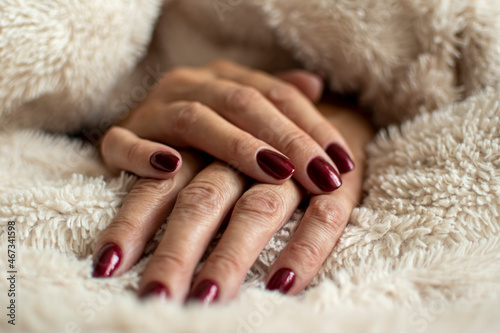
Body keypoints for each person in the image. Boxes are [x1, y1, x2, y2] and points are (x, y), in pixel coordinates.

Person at [90, 59, 374, 304]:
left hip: (348, 116)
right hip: (187, 95)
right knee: (204, 195)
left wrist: (352, 110)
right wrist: (122, 108)